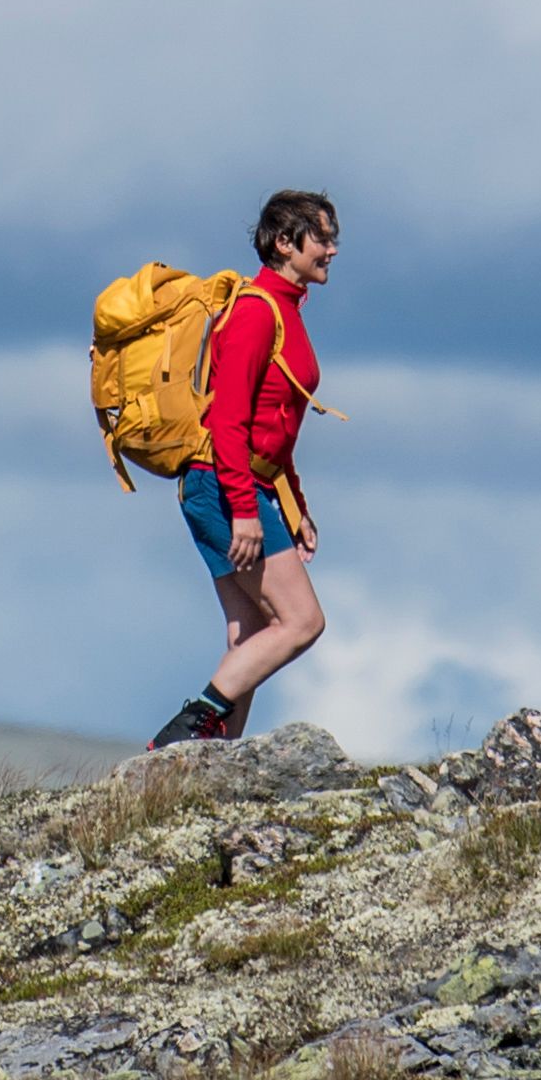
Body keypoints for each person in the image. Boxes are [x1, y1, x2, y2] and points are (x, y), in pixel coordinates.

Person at [151, 192, 337, 747]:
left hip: (233, 483)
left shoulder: (284, 310)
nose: (331, 250)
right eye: (322, 239)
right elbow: (229, 419)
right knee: (303, 621)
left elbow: (274, 429)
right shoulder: (257, 312)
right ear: (285, 242)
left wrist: (295, 506)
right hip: (223, 484)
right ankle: (183, 735)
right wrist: (244, 511)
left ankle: (207, 766)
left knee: (252, 634)